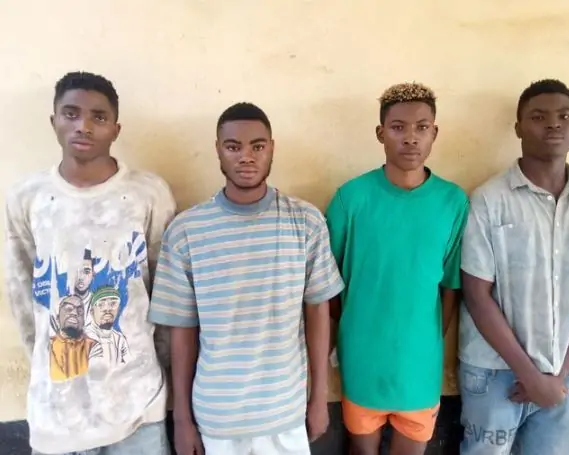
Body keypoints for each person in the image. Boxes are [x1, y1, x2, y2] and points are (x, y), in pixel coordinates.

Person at [148, 102, 344, 455]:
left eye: (257, 146)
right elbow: (182, 331)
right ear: (218, 150)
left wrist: (319, 399)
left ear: (272, 148)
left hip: (285, 413)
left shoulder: (305, 222)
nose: (246, 157)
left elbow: (318, 312)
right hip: (217, 418)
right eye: (233, 146)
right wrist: (183, 420)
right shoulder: (187, 231)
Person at [4, 71, 176, 455]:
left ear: (116, 129)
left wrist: (158, 364)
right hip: (58, 412)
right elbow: (23, 290)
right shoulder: (28, 198)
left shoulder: (148, 193)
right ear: (53, 121)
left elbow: (164, 291)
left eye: (98, 117)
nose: (83, 125)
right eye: (71, 113)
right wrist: (45, 358)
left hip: (137, 403)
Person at [458, 79, 569, 455]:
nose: (554, 124)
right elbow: (477, 294)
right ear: (518, 128)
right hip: (494, 371)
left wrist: (557, 374)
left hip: (566, 373)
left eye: (564, 116)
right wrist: (530, 376)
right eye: (539, 117)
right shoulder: (489, 200)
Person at [325, 82, 469, 455]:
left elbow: (451, 287)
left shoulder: (452, 202)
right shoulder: (351, 198)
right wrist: (351, 329)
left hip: (419, 365)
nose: (410, 138)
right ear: (380, 133)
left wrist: (427, 338)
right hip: (362, 359)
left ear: (435, 133)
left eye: (422, 127)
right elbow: (327, 284)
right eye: (398, 127)